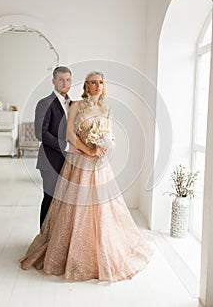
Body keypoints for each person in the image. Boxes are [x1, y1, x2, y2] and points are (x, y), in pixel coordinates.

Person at [20, 71, 153, 282]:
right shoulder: (75, 106)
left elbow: (108, 133)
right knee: (65, 205)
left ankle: (97, 245)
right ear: (86, 86)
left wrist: (105, 144)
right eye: (93, 82)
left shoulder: (105, 108)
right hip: (78, 160)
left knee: (100, 206)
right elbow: (69, 135)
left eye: (101, 82)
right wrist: (88, 150)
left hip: (99, 164)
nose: (98, 85)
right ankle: (56, 242)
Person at [35, 65, 76, 227]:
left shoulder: (73, 104)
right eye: (61, 80)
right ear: (53, 81)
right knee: (50, 199)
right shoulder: (44, 103)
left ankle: (55, 239)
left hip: (69, 162)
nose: (64, 83)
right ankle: (42, 238)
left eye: (67, 80)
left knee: (64, 202)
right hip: (50, 160)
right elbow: (41, 133)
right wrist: (66, 147)